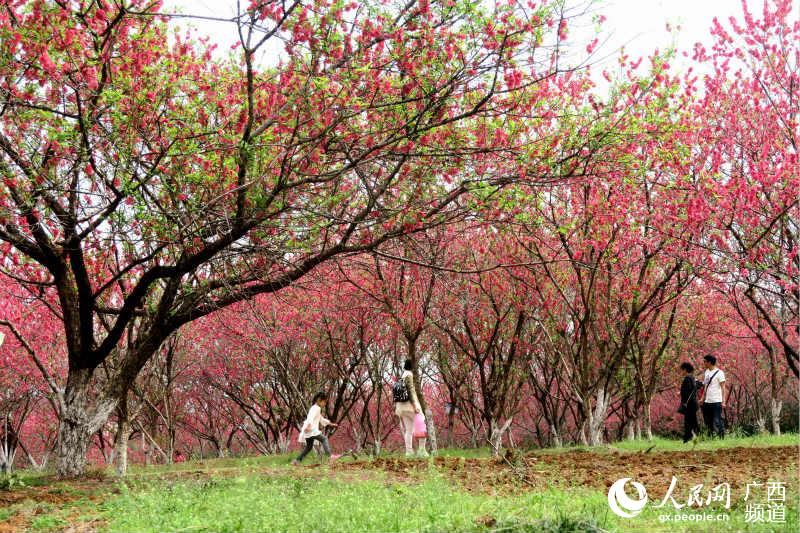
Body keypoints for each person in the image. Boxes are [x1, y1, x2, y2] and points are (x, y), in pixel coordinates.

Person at [393, 359, 428, 458]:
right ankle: (422, 451)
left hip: (401, 407)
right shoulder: (409, 375)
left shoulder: (402, 376)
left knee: (408, 430)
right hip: (409, 406)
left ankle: (409, 452)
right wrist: (416, 405)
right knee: (422, 424)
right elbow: (411, 391)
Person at [292, 392, 338, 465]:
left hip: (308, 430)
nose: (325, 404)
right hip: (311, 429)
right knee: (324, 439)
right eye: (324, 402)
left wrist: (330, 423)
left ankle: (296, 461)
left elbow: (321, 419)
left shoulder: (315, 407)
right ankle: (330, 456)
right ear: (319, 400)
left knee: (309, 447)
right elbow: (311, 417)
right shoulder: (316, 408)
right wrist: (309, 426)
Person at [700, 354, 726, 438]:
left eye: (705, 361)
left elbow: (723, 387)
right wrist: (702, 398)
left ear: (709, 362)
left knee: (717, 420)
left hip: (716, 401)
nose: (703, 363)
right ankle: (710, 437)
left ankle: (721, 437)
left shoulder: (720, 373)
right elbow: (706, 386)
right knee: (708, 421)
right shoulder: (707, 372)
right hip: (707, 401)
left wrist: (723, 401)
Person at [678, 362, 700, 443]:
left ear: (685, 370)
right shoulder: (693, 378)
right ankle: (695, 436)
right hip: (693, 403)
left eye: (682, 370)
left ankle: (687, 439)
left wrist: (683, 401)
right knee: (693, 421)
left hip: (689, 404)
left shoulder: (687, 378)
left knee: (688, 422)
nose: (681, 372)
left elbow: (686, 392)